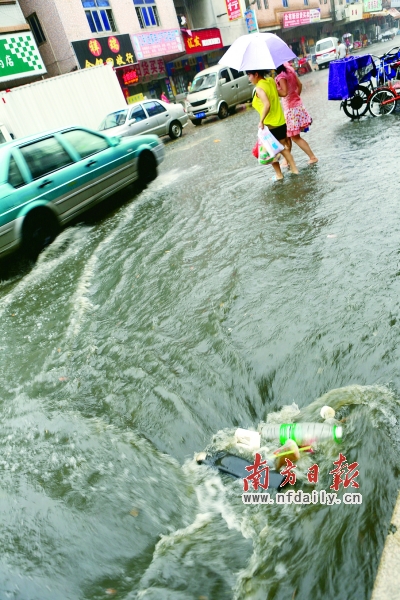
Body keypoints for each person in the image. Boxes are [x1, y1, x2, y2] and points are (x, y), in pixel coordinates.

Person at [246, 69, 299, 181]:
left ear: (256, 74)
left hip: (271, 124)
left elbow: (267, 104)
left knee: (271, 151)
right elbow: (276, 95)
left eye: (249, 75)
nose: (248, 78)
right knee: (282, 148)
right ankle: (293, 169)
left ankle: (280, 174)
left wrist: (261, 121)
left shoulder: (259, 88)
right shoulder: (270, 80)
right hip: (280, 122)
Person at [275, 63, 318, 166]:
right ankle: (287, 160)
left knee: (294, 137)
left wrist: (273, 90)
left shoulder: (281, 76)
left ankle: (312, 157)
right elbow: (300, 85)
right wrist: (296, 97)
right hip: (296, 106)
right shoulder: (289, 70)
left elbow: (284, 93)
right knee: (288, 136)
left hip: (291, 109)